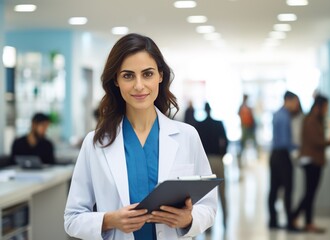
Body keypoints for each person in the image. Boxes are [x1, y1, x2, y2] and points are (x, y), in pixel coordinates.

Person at [64, 33, 217, 240]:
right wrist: (109, 220)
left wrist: (187, 220)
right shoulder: (95, 143)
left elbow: (208, 206)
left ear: (160, 76)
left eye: (147, 74)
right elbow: (72, 219)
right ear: (116, 80)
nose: (138, 85)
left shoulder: (187, 136)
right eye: (128, 75)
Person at [292, 95, 330, 233]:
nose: (327, 110)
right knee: (309, 193)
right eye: (326, 107)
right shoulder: (311, 120)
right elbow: (316, 142)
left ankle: (306, 222)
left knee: (310, 193)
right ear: (319, 106)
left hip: (314, 161)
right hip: (311, 161)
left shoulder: (314, 119)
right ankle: (296, 217)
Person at [268, 91, 300, 231]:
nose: (296, 106)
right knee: (288, 189)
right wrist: (299, 146)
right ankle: (289, 223)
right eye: (295, 102)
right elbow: (286, 141)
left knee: (273, 189)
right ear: (289, 100)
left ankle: (273, 221)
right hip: (282, 155)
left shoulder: (276, 114)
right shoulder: (285, 116)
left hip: (274, 155)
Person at [196, 102, 228, 230]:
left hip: (205, 161)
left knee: (205, 194)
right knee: (223, 192)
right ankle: (225, 221)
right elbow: (225, 141)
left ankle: (208, 227)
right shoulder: (218, 124)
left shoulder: (199, 125)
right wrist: (223, 154)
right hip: (217, 159)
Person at [238, 94, 257, 168]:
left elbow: (252, 117)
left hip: (249, 127)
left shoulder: (249, 108)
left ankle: (255, 158)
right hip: (244, 127)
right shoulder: (242, 107)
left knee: (253, 143)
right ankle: (241, 160)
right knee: (242, 144)